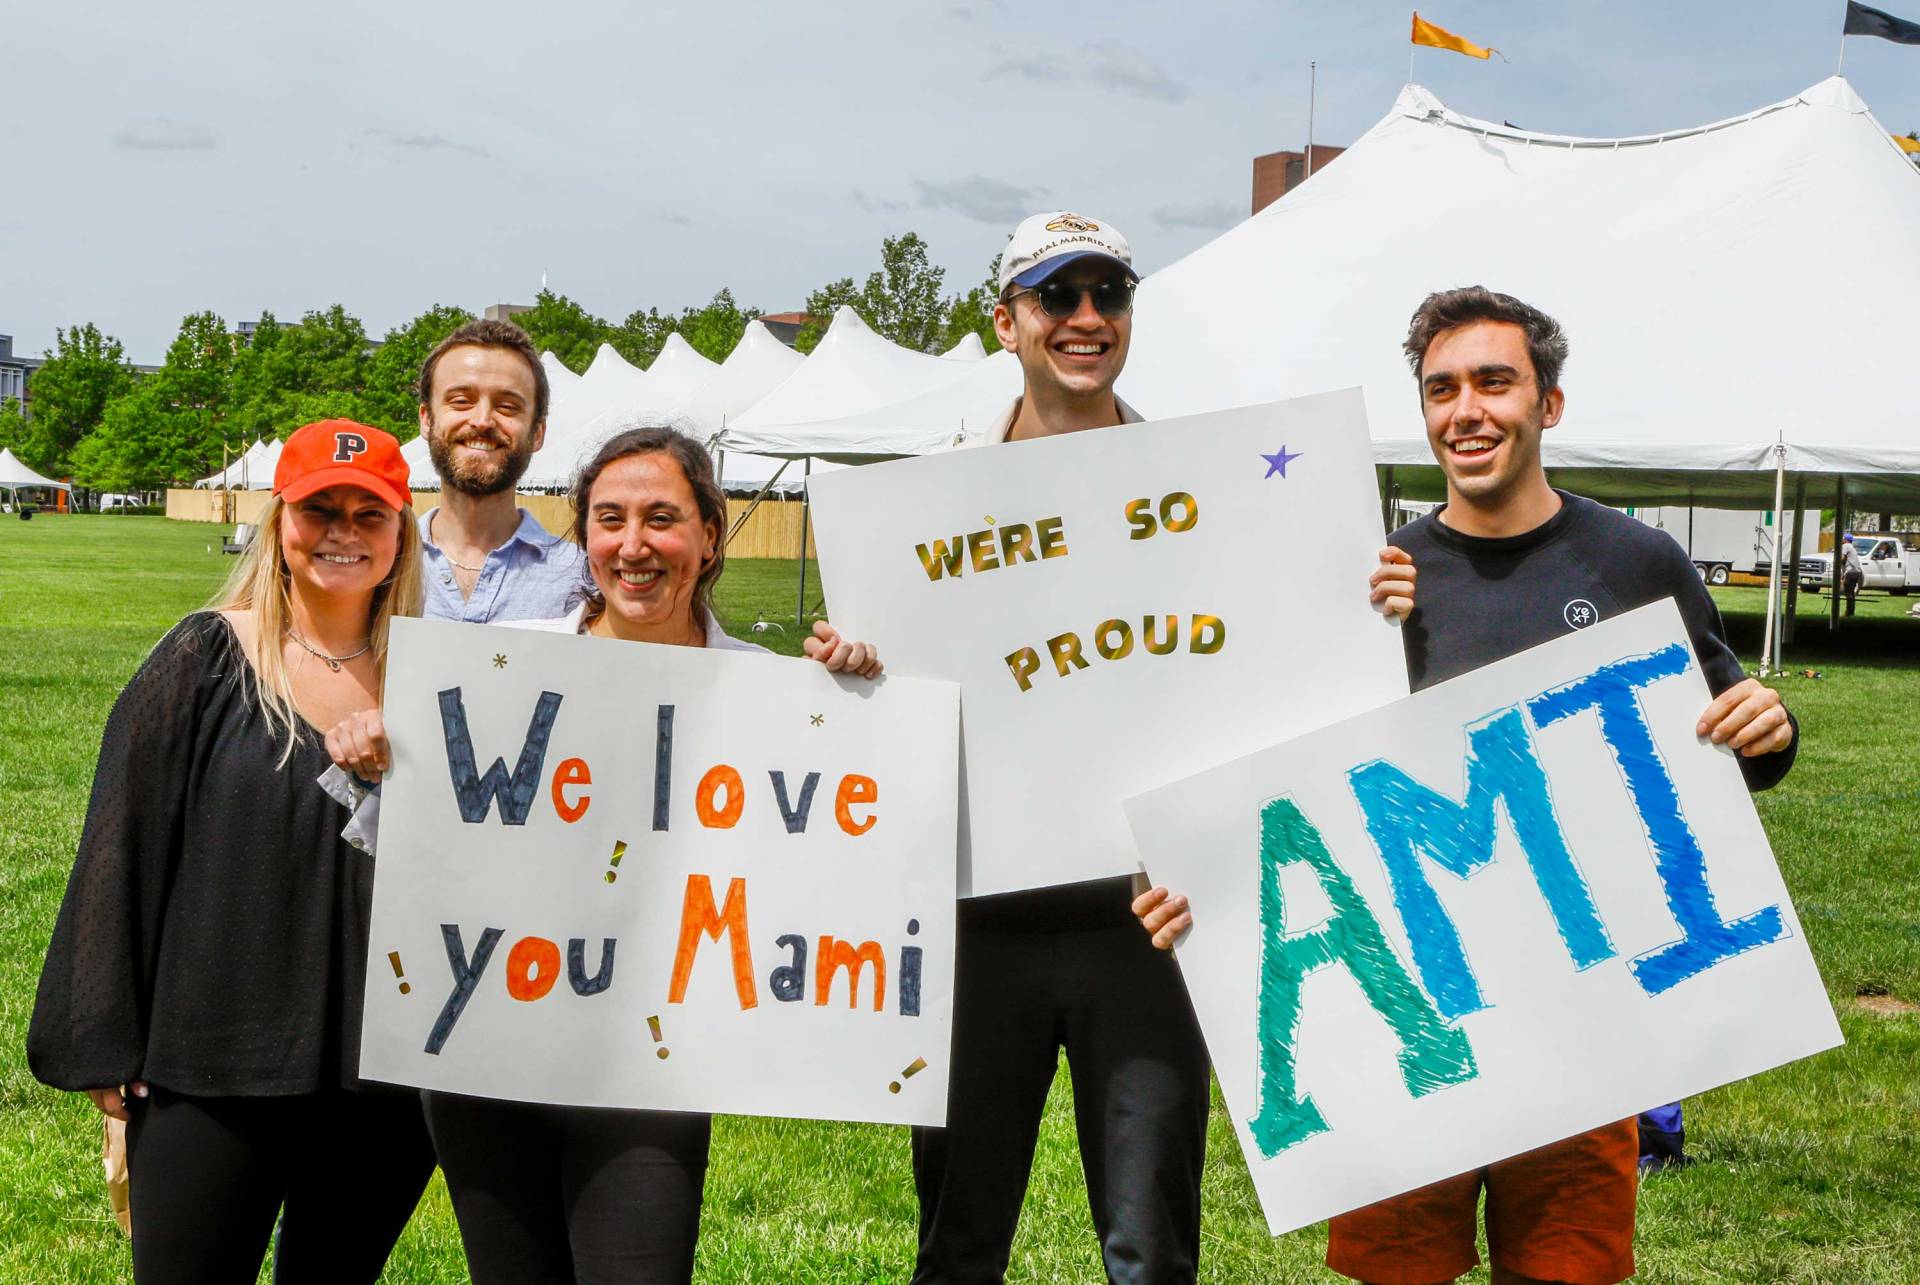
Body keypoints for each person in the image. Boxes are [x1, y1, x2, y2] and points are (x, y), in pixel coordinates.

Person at [1136, 287, 1798, 1285]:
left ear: (1550, 405)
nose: (1467, 410)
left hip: (1587, 1019)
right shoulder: (1370, 577)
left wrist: (1769, 728)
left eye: (1496, 381)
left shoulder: (1635, 561)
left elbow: (1717, 739)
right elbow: (1280, 778)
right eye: (1442, 389)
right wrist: (1205, 880)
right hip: (1409, 1027)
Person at [324, 425, 880, 1284]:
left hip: (647, 1066)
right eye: (609, 518)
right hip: (488, 1050)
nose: (634, 544)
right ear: (583, 534)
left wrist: (858, 705)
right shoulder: (502, 666)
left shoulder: (774, 695)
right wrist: (377, 760)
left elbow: (842, 863)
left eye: (663, 517)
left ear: (709, 533)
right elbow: (419, 846)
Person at [28, 420, 435, 1284]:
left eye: (371, 512)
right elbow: (121, 843)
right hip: (211, 1062)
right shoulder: (206, 654)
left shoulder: (441, 680)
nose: (344, 530)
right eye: (321, 506)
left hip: (383, 1077)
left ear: (402, 532)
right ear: (277, 519)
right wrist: (102, 1035)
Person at [910, 211, 1211, 1285]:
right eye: (1058, 296)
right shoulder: (927, 501)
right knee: (957, 1237)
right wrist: (854, 663)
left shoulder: (1209, 486)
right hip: (977, 916)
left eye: (1109, 295)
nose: (1087, 319)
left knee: (1151, 1247)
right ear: (1007, 320)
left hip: (1147, 917)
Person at [415, 318, 590, 623]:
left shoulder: (582, 580)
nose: (482, 420)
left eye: (507, 406)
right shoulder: (380, 566)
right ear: (426, 420)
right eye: (461, 401)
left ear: (537, 432)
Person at [1839, 532, 1865, 617]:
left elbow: (1842, 558)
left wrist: (1837, 562)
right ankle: (1851, 612)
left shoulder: (1845, 546)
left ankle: (1848, 613)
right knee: (1851, 594)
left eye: (1843, 539)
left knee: (1847, 593)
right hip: (1857, 572)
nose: (1842, 540)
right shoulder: (1852, 547)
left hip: (1850, 572)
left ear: (1845, 540)